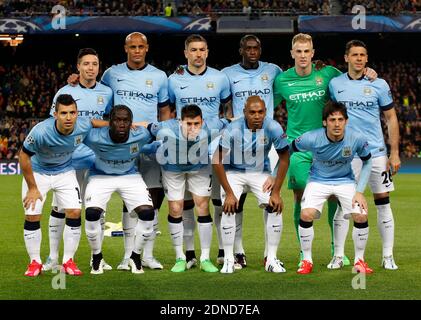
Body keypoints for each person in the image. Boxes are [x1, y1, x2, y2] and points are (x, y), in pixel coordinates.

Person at [273, 33, 376, 266]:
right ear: (292, 54)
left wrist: (368, 72)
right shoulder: (282, 80)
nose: (302, 55)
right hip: (298, 149)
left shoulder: (327, 73)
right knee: (300, 195)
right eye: (298, 51)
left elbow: (350, 80)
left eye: (306, 51)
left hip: (330, 145)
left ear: (312, 53)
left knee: (334, 198)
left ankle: (336, 250)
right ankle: (303, 252)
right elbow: (268, 106)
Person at [100, 32, 170, 270]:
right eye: (133, 47)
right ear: (126, 48)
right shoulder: (111, 74)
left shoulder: (160, 77)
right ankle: (127, 256)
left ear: (147, 48)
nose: (137, 50)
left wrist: (162, 138)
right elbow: (102, 107)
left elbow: (165, 113)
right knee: (128, 202)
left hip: (150, 148)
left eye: (141, 46)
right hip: (122, 148)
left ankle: (147, 256)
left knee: (153, 200)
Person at [329, 40, 401, 270]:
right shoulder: (335, 84)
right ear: (346, 58)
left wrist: (395, 152)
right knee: (343, 205)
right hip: (348, 154)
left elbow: (391, 118)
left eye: (363, 55)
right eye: (355, 55)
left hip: (377, 153)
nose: (359, 59)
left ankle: (387, 255)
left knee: (383, 202)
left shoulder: (379, 84)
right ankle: (339, 255)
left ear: (366, 58)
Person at [19, 94, 107, 277]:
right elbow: (23, 156)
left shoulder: (82, 124)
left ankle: (68, 261)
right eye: (64, 113)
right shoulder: (41, 131)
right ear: (55, 114)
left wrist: (120, 125)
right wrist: (33, 188)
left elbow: (95, 123)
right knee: (32, 215)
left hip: (65, 172)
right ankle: (34, 262)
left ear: (77, 113)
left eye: (72, 112)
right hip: (38, 173)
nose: (68, 117)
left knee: (74, 212)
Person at [43, 48, 113, 272]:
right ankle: (54, 258)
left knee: (97, 208)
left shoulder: (107, 92)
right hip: (69, 159)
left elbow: (110, 122)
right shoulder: (65, 91)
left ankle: (97, 257)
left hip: (97, 158)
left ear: (99, 67)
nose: (90, 68)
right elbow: (52, 124)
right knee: (60, 208)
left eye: (94, 64)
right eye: (86, 64)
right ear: (78, 67)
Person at [168, 34, 231, 269]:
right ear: (186, 53)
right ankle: (189, 254)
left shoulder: (220, 78)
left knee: (214, 202)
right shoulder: (173, 79)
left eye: (202, 49)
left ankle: (222, 251)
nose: (197, 54)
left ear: (207, 52)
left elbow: (227, 108)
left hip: (213, 147)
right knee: (184, 203)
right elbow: (167, 112)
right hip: (183, 147)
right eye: (193, 50)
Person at [221, 34, 282, 268]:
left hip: (266, 143)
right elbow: (222, 100)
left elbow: (293, 78)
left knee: (271, 199)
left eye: (256, 48)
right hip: (238, 142)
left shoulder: (273, 70)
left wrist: (321, 67)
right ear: (241, 50)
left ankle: (270, 254)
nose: (253, 51)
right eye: (248, 48)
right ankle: (237, 252)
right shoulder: (227, 73)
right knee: (237, 201)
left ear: (260, 49)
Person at [292, 101, 373, 275]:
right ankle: (306, 260)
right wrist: (275, 173)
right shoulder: (311, 137)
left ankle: (360, 261)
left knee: (361, 215)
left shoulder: (357, 138)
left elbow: (367, 161)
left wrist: (359, 191)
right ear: (324, 122)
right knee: (306, 214)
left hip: (345, 181)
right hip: (318, 180)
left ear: (346, 121)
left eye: (340, 119)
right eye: (332, 120)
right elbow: (288, 149)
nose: (337, 124)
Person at [213, 96, 289, 274]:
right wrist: (229, 193)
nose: (257, 116)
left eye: (260, 112)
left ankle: (271, 258)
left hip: (259, 172)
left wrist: (276, 191)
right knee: (229, 207)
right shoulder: (233, 129)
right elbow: (217, 160)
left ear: (265, 112)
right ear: (244, 113)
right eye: (252, 112)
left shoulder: (273, 128)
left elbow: (285, 158)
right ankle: (229, 259)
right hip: (234, 172)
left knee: (275, 205)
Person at [146, 104, 226, 273]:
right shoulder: (166, 127)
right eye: (188, 124)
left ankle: (205, 258)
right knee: (176, 208)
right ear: (180, 121)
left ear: (202, 122)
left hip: (200, 168)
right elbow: (146, 126)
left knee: (202, 206)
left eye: (196, 124)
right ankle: (180, 257)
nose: (192, 128)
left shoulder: (212, 126)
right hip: (172, 169)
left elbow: (229, 121)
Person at [83, 105, 155, 274]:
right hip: (100, 176)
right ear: (110, 122)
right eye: (117, 120)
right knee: (92, 214)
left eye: (126, 120)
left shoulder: (142, 135)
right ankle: (97, 257)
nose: (121, 124)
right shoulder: (93, 137)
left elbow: (156, 134)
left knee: (148, 213)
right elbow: (76, 128)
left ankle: (135, 257)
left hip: (130, 176)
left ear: (131, 123)